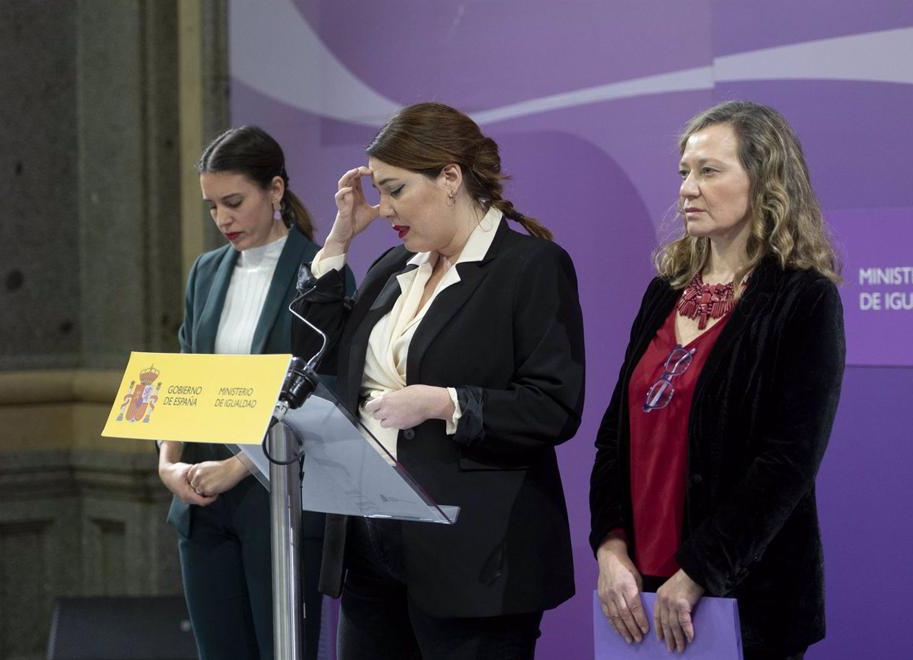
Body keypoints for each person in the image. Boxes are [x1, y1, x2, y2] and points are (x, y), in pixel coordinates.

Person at [292, 101, 585, 660]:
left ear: (450, 177)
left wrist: (446, 404)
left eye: (396, 189)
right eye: (378, 191)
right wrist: (336, 246)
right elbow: (313, 356)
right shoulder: (393, 267)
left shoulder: (532, 266)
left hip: (474, 559)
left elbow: (554, 406)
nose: (385, 209)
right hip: (370, 547)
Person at [590, 101, 845, 660]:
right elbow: (615, 436)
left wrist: (700, 571)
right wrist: (609, 548)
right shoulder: (665, 289)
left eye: (709, 171)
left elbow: (788, 462)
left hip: (741, 594)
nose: (687, 189)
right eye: (684, 171)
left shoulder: (803, 298)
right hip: (640, 594)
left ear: (766, 178)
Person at [157, 126, 343, 659]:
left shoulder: (321, 274)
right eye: (212, 206)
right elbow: (185, 376)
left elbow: (322, 393)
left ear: (276, 190)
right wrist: (168, 466)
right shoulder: (206, 271)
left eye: (234, 202)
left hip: (277, 495)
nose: (222, 220)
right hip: (201, 497)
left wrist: (240, 465)